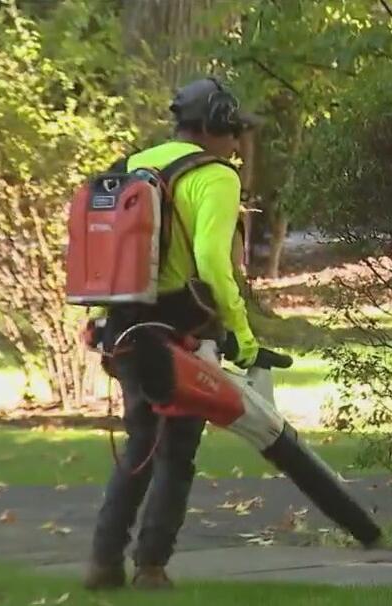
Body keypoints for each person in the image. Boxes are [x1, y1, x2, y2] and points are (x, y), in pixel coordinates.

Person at [84, 77, 260, 591]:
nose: (236, 145)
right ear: (214, 127)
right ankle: (151, 568)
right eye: (232, 133)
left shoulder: (135, 164)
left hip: (124, 324)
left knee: (141, 440)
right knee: (177, 451)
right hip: (182, 327)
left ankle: (102, 562)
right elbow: (210, 259)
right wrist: (242, 333)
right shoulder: (215, 176)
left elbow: (107, 252)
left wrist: (99, 316)